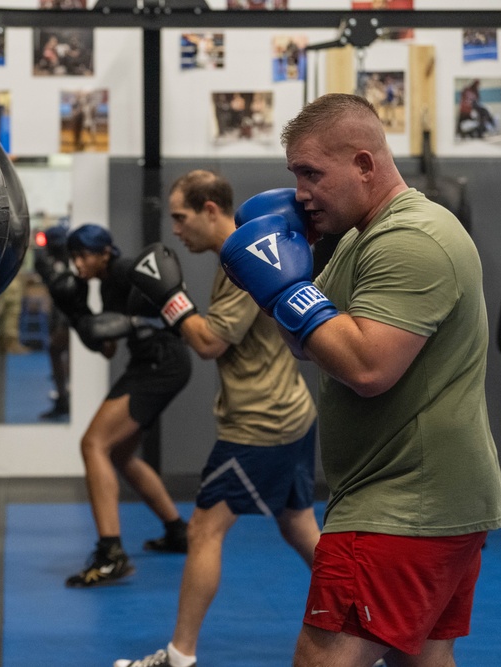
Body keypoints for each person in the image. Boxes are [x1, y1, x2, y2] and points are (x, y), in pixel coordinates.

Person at [220, 93, 501, 666]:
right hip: (423, 499)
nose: (300, 192)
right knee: (422, 656)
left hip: (404, 504)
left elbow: (367, 367)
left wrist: (281, 289)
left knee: (321, 660)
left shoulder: (411, 240)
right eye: (294, 174)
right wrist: (275, 280)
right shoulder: (359, 236)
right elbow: (312, 344)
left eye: (311, 173)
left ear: (364, 164)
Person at [114, 173, 321, 667]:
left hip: (259, 424)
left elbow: (209, 343)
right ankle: (371, 626)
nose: (176, 231)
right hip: (291, 412)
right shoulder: (247, 252)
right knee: (299, 528)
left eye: (181, 218)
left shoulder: (242, 259)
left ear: (211, 209)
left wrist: (171, 300)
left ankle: (179, 656)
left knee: (204, 530)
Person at [52, 224, 192, 588]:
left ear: (104, 253)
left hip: (162, 362)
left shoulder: (131, 270)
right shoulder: (107, 282)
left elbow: (171, 318)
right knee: (120, 455)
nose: (79, 264)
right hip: (150, 364)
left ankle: (111, 553)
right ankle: (178, 532)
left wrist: (132, 322)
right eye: (74, 257)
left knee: (92, 443)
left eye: (84, 256)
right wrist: (79, 313)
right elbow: (108, 344)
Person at [33, 225, 73, 420]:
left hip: (69, 316)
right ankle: (64, 396)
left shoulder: (66, 265)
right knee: (60, 351)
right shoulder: (60, 264)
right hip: (62, 314)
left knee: (57, 350)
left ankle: (64, 398)